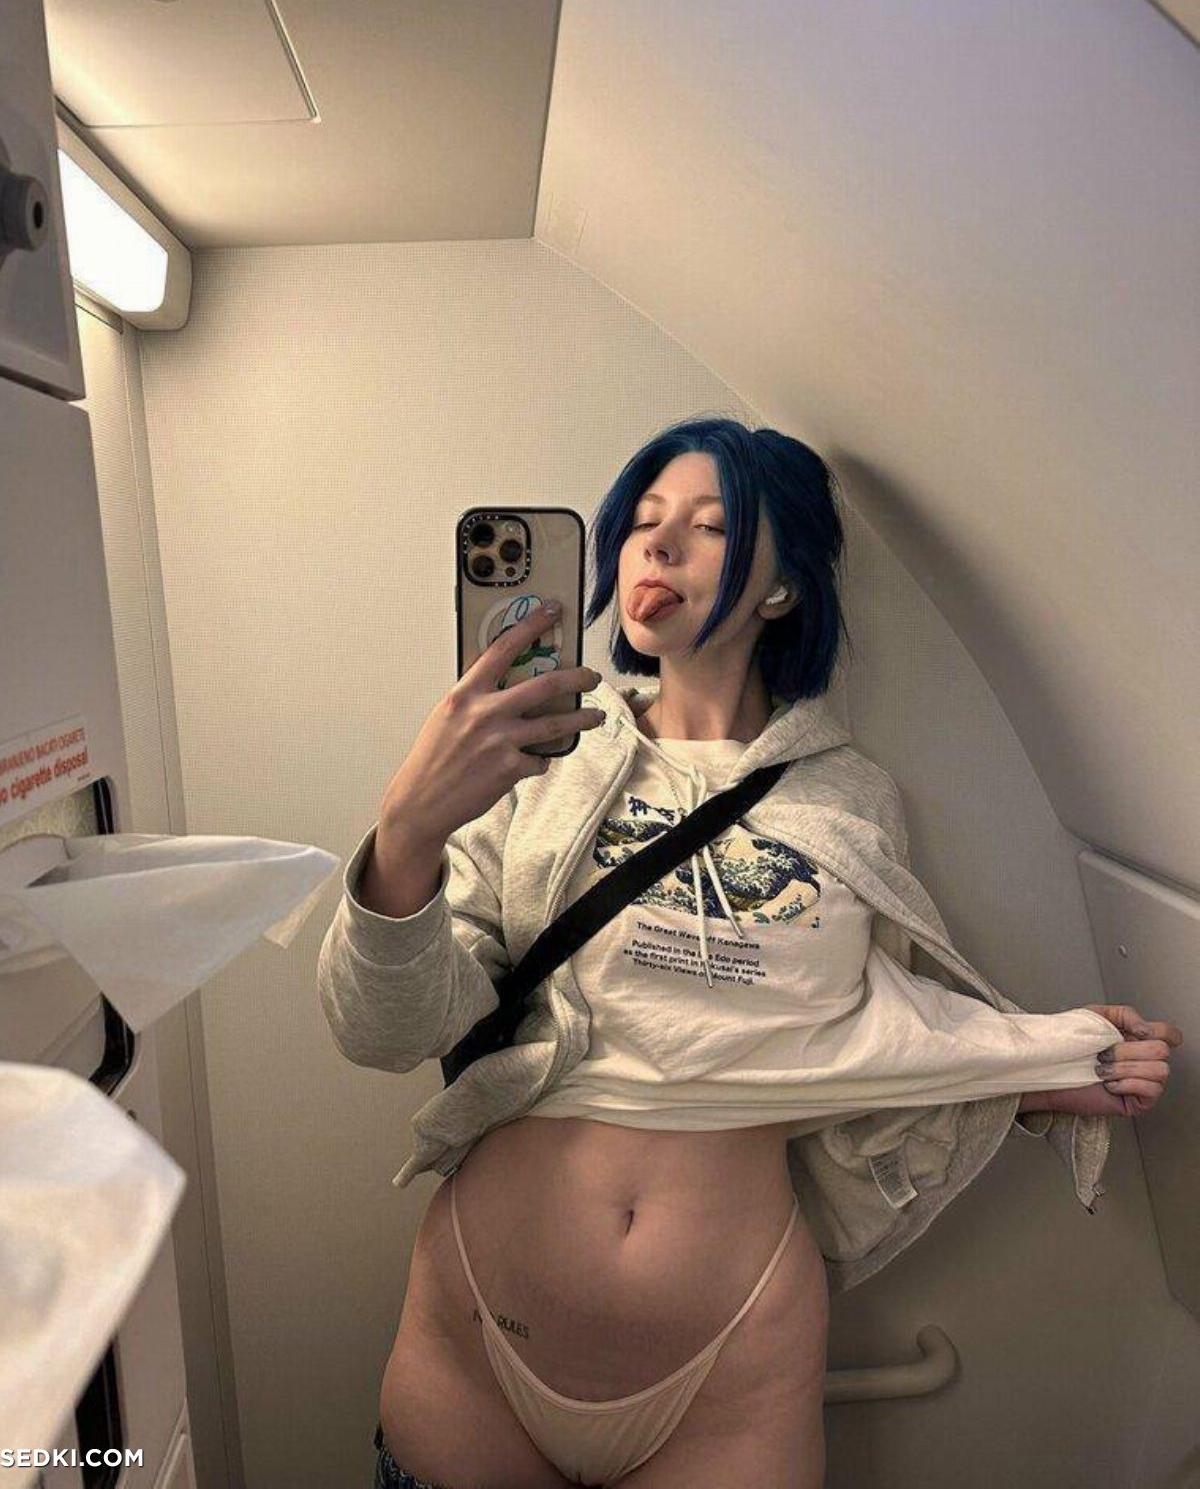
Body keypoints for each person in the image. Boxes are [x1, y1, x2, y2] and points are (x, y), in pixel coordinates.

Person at [318, 417, 1183, 1489]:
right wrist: (407, 833)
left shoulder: (849, 797)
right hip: (477, 1354)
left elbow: (864, 1032)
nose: (657, 544)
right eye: (642, 521)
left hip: (728, 1380)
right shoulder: (536, 764)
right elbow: (383, 1030)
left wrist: (1031, 1069)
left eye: (711, 525)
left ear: (782, 588)